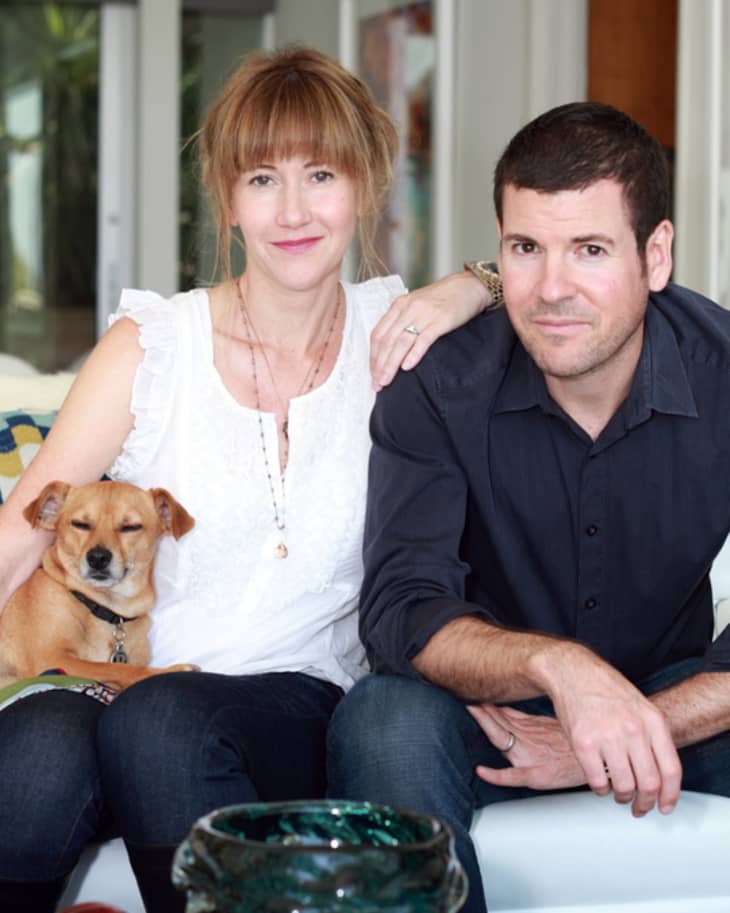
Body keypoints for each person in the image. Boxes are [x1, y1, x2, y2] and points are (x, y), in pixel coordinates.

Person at [0, 46, 498, 913]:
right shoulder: (153, 347)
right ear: (228, 198)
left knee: (160, 727)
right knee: (32, 762)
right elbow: (26, 522)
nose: (294, 210)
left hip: (300, 694)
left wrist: (477, 283)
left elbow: (559, 292)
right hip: (130, 673)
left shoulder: (402, 333)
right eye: (263, 178)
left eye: (322, 174)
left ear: (365, 184)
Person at [326, 101, 730, 913]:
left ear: (656, 256)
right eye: (525, 248)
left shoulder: (723, 371)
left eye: (589, 249)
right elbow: (403, 606)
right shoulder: (439, 385)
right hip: (490, 706)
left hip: (671, 694)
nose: (551, 289)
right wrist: (559, 667)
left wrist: (621, 729)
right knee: (381, 725)